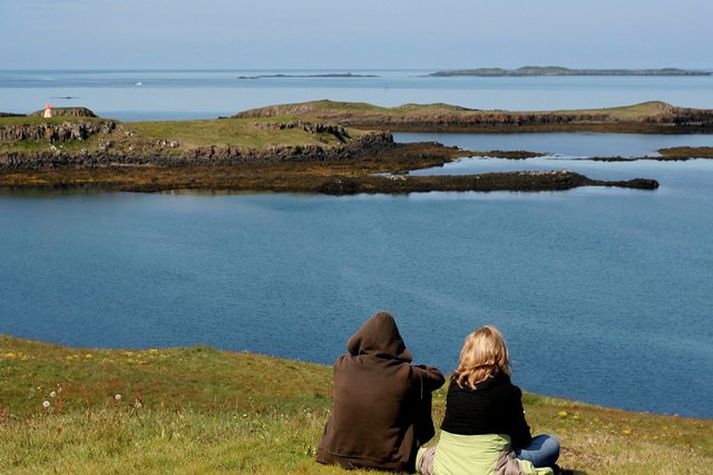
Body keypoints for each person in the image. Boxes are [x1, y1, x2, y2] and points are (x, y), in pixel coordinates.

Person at [417, 325, 560, 475]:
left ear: (468, 353)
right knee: (550, 444)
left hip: (448, 463)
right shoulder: (508, 391)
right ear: (500, 354)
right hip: (489, 467)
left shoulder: (455, 384)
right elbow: (522, 440)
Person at [316, 311, 445, 472]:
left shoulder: (342, 365)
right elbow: (437, 377)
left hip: (334, 454)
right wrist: (413, 369)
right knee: (420, 388)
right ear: (395, 342)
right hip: (391, 460)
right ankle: (411, 445)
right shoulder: (406, 374)